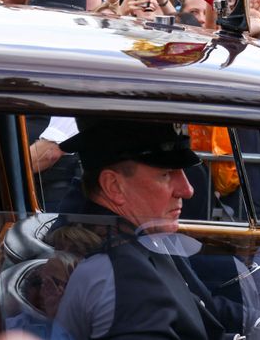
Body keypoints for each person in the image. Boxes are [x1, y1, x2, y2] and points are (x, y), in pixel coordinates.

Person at [53, 119, 249, 340]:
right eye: (165, 174)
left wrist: (259, 324)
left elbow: (194, 308)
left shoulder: (140, 236)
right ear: (114, 186)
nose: (188, 190)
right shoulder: (126, 276)